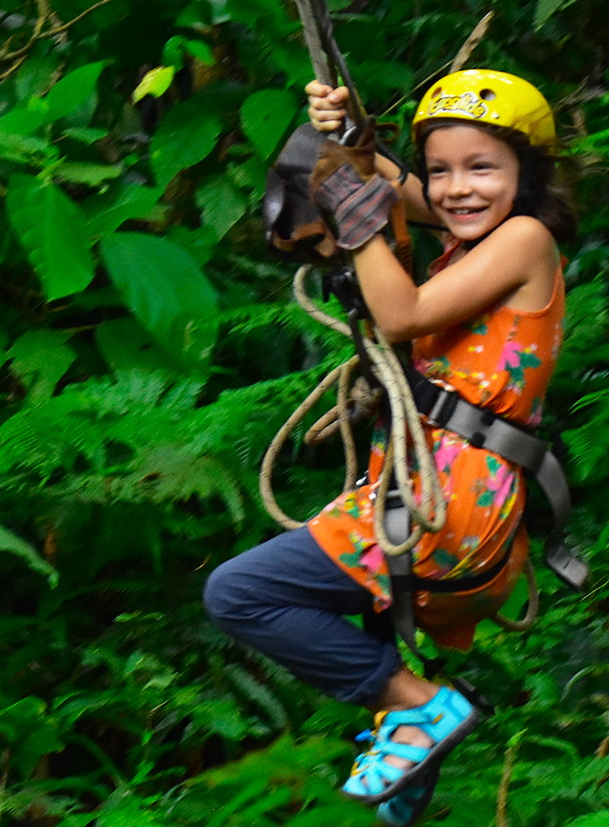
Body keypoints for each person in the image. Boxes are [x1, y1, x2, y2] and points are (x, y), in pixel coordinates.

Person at [203, 69, 574, 826]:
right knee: (398, 774)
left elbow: (399, 315)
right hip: (429, 494)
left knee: (238, 594)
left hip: (452, 505)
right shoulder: (474, 236)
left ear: (526, 176)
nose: (456, 190)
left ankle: (421, 707)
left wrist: (362, 222)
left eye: (482, 169)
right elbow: (385, 180)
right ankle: (414, 750)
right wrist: (349, 131)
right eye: (441, 170)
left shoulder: (525, 240)